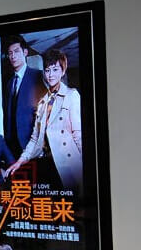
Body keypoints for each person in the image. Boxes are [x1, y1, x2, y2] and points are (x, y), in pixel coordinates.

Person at [6, 49, 83, 192]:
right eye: (47, 70)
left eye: (55, 69)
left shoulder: (71, 95)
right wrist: (21, 160)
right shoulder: (42, 103)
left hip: (68, 165)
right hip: (48, 165)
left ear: (63, 71)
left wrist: (87, 167)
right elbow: (35, 138)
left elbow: (78, 135)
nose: (51, 74)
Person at [2, 35, 46, 159]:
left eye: (16, 51)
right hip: (13, 147)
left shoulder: (38, 77)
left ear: (25, 52)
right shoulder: (9, 82)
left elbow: (45, 114)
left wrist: (42, 146)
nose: (13, 56)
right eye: (10, 53)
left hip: (32, 146)